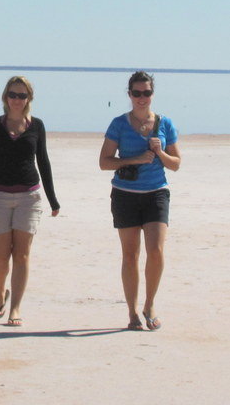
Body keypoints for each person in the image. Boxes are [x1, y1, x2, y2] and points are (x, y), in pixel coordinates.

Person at [0, 76, 61, 326]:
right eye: (13, 95)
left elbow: (43, 162)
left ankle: (16, 308)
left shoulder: (37, 126)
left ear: (29, 99)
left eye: (22, 95)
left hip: (29, 197)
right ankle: (1, 292)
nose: (17, 100)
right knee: (0, 257)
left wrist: (53, 199)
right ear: (5, 97)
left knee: (22, 255)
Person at [99, 71, 180, 331]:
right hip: (125, 194)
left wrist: (159, 152)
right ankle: (132, 312)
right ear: (130, 94)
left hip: (156, 193)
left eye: (146, 92)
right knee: (130, 255)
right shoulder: (119, 124)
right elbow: (104, 162)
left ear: (152, 94)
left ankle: (150, 305)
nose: (141, 97)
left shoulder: (165, 124)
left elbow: (176, 164)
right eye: (137, 93)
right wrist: (134, 159)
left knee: (156, 252)